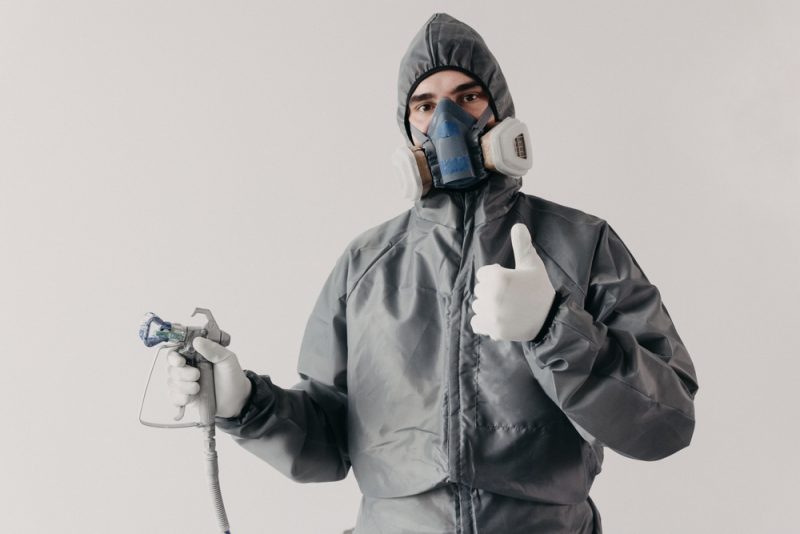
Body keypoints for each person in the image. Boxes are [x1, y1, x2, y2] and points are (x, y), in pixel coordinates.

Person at [166, 13, 699, 534]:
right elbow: (328, 442)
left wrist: (554, 327)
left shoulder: (580, 244)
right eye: (425, 104)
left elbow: (666, 423)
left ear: (500, 112)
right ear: (408, 128)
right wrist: (245, 406)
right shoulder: (365, 264)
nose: (447, 121)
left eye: (467, 97)